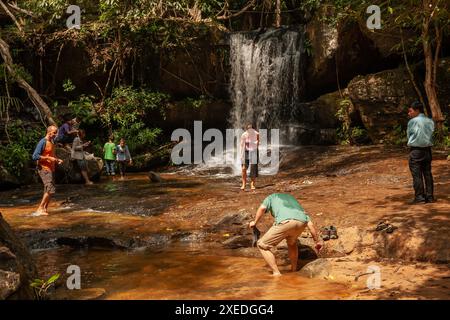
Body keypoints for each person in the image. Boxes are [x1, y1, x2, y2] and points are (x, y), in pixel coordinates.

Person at [248, 193, 322, 276]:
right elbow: (310, 224)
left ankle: (276, 273)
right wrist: (316, 241)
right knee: (292, 243)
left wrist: (255, 222)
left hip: (285, 222)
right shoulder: (293, 200)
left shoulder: (271, 197)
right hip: (301, 222)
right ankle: (294, 270)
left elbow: (262, 208)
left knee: (262, 244)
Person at [407, 101, 435, 204]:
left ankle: (419, 197)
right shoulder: (430, 121)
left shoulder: (412, 122)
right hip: (427, 150)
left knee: (417, 175)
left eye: (410, 111)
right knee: (427, 174)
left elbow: (409, 135)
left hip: (416, 150)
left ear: (417, 110)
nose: (409, 113)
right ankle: (430, 196)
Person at [32, 125, 64, 216]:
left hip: (51, 169)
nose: (55, 134)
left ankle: (45, 208)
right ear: (49, 132)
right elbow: (35, 156)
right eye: (54, 133)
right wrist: (48, 158)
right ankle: (40, 208)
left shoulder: (52, 142)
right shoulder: (42, 142)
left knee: (49, 189)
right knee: (50, 189)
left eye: (56, 133)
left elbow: (51, 155)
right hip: (44, 168)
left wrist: (57, 160)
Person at [240, 124, 259, 190]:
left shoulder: (256, 134)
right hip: (246, 152)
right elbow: (241, 145)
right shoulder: (244, 135)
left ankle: (252, 184)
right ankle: (244, 184)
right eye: (249, 129)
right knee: (243, 168)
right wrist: (241, 155)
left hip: (253, 151)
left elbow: (258, 143)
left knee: (253, 168)